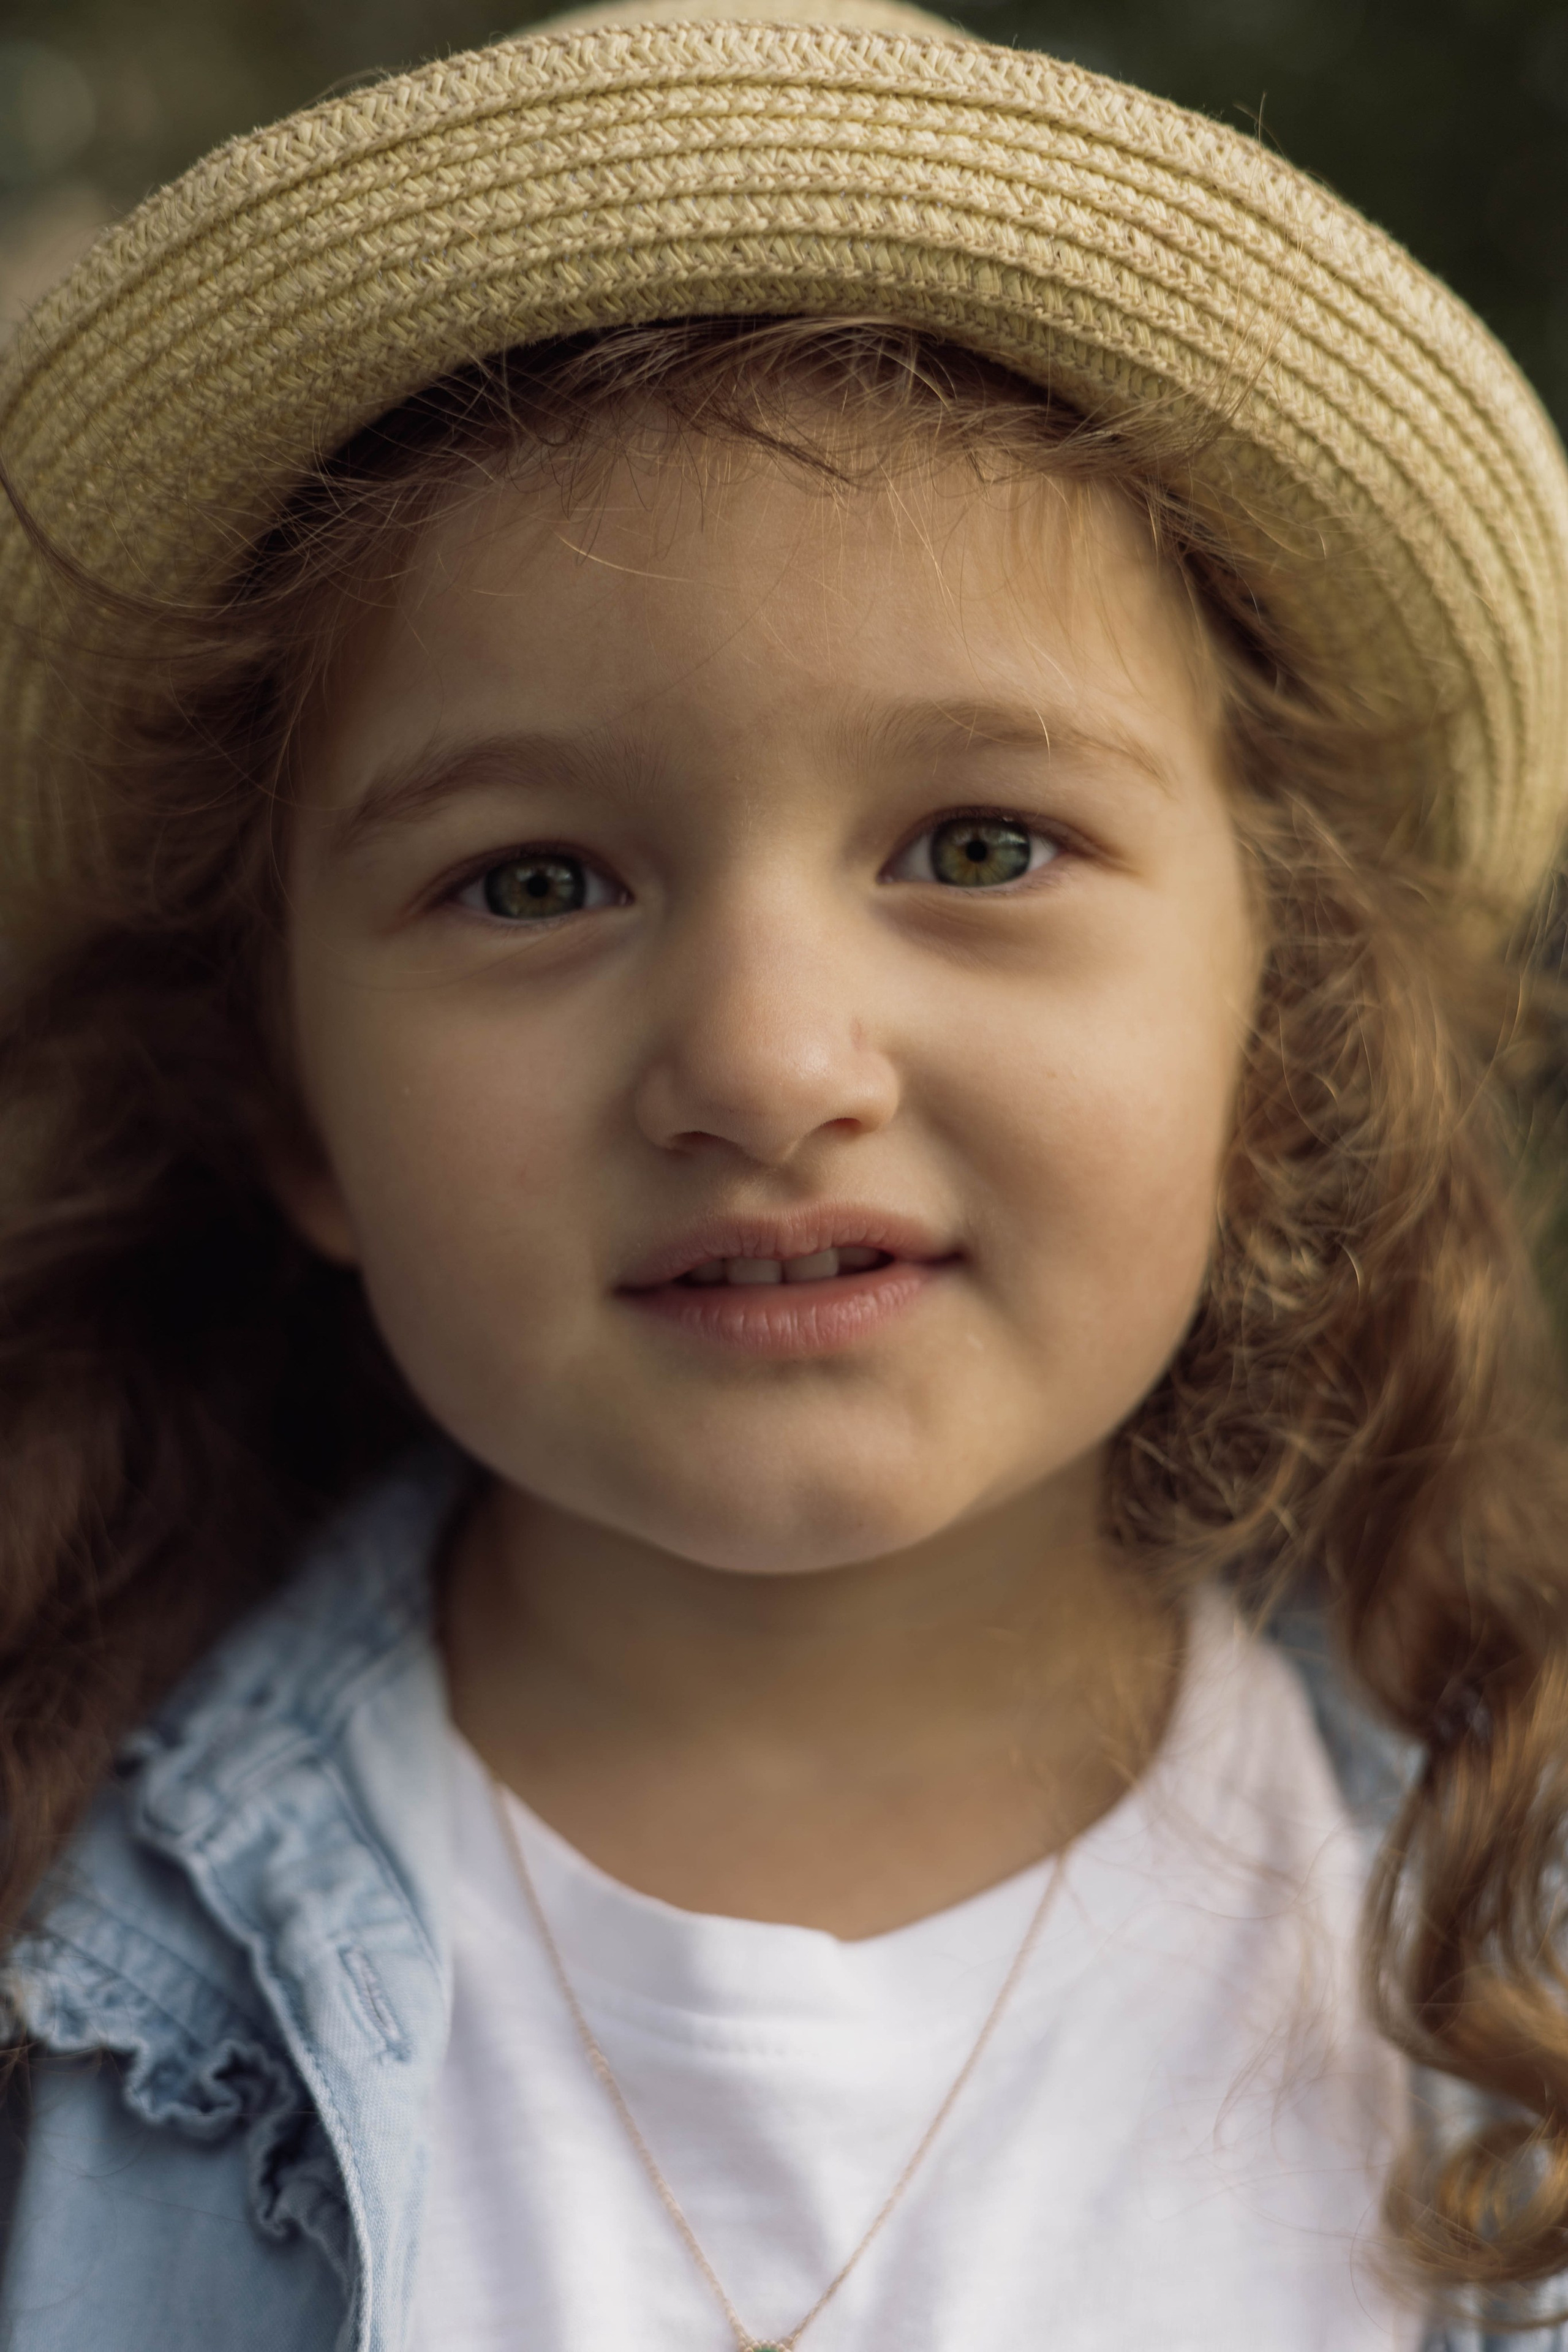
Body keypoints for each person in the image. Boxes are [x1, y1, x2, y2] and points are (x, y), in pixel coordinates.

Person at [1, 0, 1566, 2343]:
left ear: (1279, 1041)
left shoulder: (1504, 1975)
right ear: (290, 1102)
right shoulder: (56, 1978)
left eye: (980, 845)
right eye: (534, 882)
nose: (763, 1064)